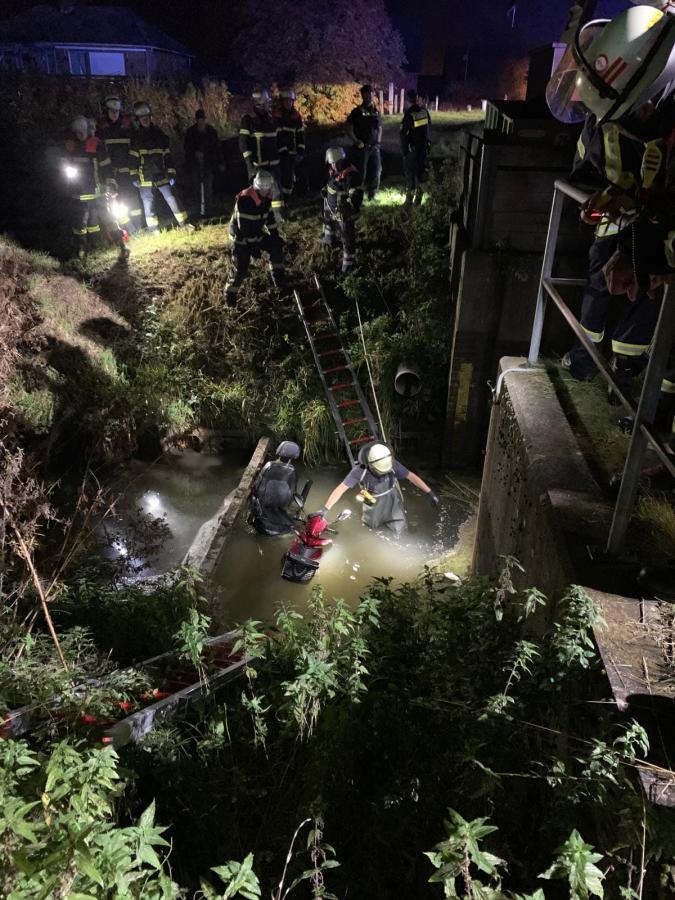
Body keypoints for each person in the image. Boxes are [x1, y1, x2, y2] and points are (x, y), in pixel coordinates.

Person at [562, 113, 660, 398]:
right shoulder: (601, 119)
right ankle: (611, 372)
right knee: (635, 298)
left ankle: (600, 368)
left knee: (623, 295)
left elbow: (583, 170)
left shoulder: (599, 120)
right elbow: (583, 173)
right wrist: (590, 204)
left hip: (638, 226)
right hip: (629, 225)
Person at [317, 442, 438, 535]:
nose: (383, 473)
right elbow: (340, 489)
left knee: (400, 530)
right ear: (371, 465)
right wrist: (325, 509)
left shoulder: (392, 464)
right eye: (380, 471)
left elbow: (411, 477)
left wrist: (429, 492)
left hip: (392, 498)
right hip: (371, 500)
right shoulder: (359, 471)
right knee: (372, 530)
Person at [224, 168, 286, 305]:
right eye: (263, 189)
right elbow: (244, 228)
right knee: (241, 268)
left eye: (267, 189)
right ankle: (230, 297)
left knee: (276, 246)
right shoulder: (245, 199)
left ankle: (279, 282)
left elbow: (269, 219)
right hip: (240, 238)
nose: (265, 192)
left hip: (255, 233)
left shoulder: (267, 196)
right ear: (257, 187)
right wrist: (254, 246)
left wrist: (275, 235)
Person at [129, 101, 189, 233]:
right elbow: (133, 159)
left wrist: (171, 172)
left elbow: (167, 156)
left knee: (172, 198)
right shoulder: (136, 138)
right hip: (144, 176)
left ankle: (184, 224)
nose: (145, 120)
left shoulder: (159, 135)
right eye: (142, 118)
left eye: (147, 117)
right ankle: (154, 229)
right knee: (148, 204)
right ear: (138, 120)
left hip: (161, 173)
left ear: (150, 117)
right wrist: (134, 176)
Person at [63, 114, 111, 257]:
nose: (80, 135)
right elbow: (66, 166)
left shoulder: (94, 145)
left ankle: (96, 245)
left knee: (94, 219)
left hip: (94, 190)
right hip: (78, 191)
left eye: (82, 132)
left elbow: (104, 166)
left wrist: (108, 183)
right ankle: (81, 247)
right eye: (77, 132)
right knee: (80, 220)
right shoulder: (71, 147)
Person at [96, 96, 143, 232]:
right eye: (112, 111)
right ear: (106, 111)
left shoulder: (128, 126)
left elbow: (135, 146)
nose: (114, 114)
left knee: (132, 200)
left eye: (116, 111)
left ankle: (138, 228)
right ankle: (125, 230)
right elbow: (100, 152)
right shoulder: (101, 128)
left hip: (127, 170)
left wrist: (134, 167)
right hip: (111, 172)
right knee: (115, 202)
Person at [239, 87, 284, 219]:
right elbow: (243, 143)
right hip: (258, 165)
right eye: (267, 102)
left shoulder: (271, 120)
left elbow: (278, 141)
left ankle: (278, 216)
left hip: (273, 164)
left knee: (276, 191)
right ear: (260, 103)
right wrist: (250, 163)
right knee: (259, 194)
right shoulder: (249, 120)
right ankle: (258, 217)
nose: (269, 105)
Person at [321, 147, 362, 273]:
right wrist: (325, 190)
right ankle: (330, 243)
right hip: (331, 208)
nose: (334, 166)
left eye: (336, 163)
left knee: (347, 239)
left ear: (342, 160)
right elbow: (332, 183)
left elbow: (356, 195)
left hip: (344, 213)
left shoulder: (351, 175)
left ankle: (348, 267)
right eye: (332, 163)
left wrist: (347, 207)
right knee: (328, 227)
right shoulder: (334, 171)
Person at [250, 440, 303, 535]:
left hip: (263, 508)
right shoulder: (292, 471)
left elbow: (257, 487)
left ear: (279, 451)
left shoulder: (269, 466)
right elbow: (292, 493)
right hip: (280, 509)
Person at [184, 109, 223, 218]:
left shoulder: (211, 131)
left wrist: (219, 161)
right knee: (197, 188)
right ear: (196, 120)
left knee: (208, 188)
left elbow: (217, 148)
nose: (201, 122)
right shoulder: (191, 132)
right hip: (195, 165)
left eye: (202, 120)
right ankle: (198, 211)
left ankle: (208, 211)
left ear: (205, 120)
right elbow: (187, 148)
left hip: (208, 164)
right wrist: (194, 154)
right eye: (199, 120)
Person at [345, 84, 382, 200]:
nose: (369, 96)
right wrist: (356, 141)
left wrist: (378, 142)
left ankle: (372, 194)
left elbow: (379, 128)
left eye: (370, 94)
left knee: (375, 171)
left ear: (373, 95)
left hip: (374, 147)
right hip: (362, 148)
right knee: (360, 173)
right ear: (362, 96)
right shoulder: (357, 112)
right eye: (366, 94)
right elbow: (348, 128)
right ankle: (355, 197)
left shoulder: (376, 111)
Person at [400, 89, 431, 206]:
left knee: (410, 174)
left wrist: (404, 151)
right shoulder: (424, 112)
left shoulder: (409, 114)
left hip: (412, 150)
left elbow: (403, 134)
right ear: (416, 98)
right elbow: (427, 129)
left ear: (407, 100)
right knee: (420, 173)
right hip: (422, 149)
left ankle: (409, 200)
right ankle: (418, 199)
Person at [275, 87, 305, 205]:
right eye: (286, 101)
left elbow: (300, 135)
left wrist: (301, 151)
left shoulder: (296, 117)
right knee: (281, 178)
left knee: (291, 179)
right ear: (282, 102)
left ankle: (287, 201)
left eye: (290, 101)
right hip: (279, 154)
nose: (288, 103)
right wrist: (282, 150)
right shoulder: (276, 117)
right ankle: (280, 203)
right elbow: (277, 136)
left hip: (293, 154)